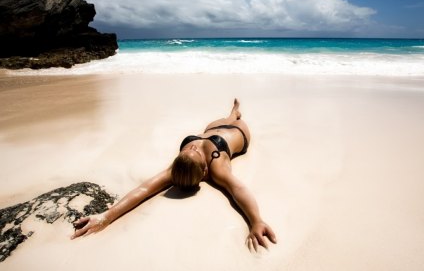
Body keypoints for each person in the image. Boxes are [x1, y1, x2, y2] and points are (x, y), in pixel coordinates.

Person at [71, 99, 276, 251]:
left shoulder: (180, 167)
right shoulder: (216, 167)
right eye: (192, 151)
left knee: (228, 116)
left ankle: (233, 112)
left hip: (212, 128)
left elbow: (143, 189)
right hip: (238, 131)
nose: (192, 147)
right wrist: (256, 221)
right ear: (204, 171)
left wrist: (105, 216)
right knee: (234, 120)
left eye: (189, 150)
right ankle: (235, 116)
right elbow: (238, 189)